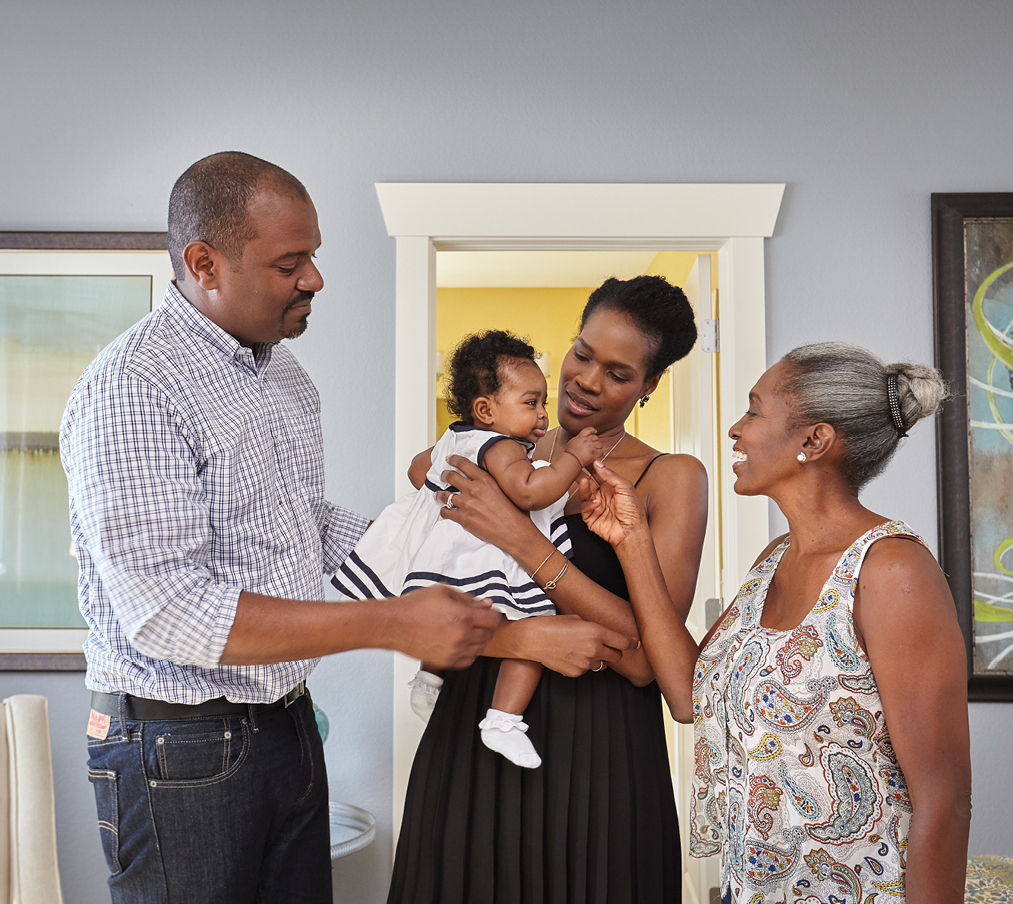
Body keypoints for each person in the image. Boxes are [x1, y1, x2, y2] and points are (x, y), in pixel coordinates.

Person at [59, 151, 508, 904]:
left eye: (314, 257)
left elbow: (304, 521)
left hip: (289, 724)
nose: (315, 279)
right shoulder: (135, 385)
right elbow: (168, 609)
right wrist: (393, 622)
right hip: (180, 747)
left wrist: (451, 548)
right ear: (205, 263)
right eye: (289, 262)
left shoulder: (284, 376)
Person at [577, 343, 972, 904]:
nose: (736, 429)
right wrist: (632, 541)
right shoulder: (773, 559)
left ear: (814, 440)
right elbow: (690, 695)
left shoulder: (891, 570)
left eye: (755, 410)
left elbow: (945, 799)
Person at [388, 275, 708, 904]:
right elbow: (420, 594)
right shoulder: (490, 452)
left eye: (618, 373)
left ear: (649, 386)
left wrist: (522, 540)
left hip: (601, 759)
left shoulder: (668, 477)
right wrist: (522, 637)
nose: (586, 380)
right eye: (583, 353)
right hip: (474, 733)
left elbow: (649, 661)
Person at [333, 330, 603, 768]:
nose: (542, 413)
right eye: (531, 403)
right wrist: (573, 458)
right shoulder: (501, 448)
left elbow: (418, 469)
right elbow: (531, 492)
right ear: (486, 410)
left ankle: (428, 678)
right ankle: (504, 718)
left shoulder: (456, 439)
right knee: (534, 622)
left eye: (542, 402)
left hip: (448, 556)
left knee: (453, 613)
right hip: (488, 556)